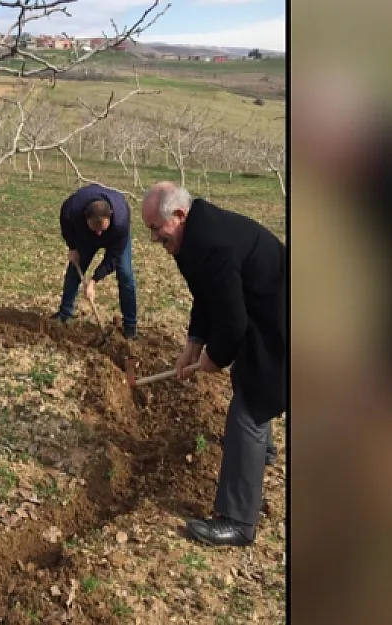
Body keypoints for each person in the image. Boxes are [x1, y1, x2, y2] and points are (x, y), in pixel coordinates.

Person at [140, 181, 287, 547]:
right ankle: (263, 452)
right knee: (252, 383)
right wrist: (194, 341)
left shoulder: (211, 243)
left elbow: (234, 323)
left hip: (282, 315)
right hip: (268, 307)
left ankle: (237, 522)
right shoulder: (194, 238)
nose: (154, 238)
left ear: (179, 215)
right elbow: (207, 293)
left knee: (249, 407)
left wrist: (215, 357)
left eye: (156, 229)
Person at [51, 183, 139, 339]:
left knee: (125, 274)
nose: (99, 233)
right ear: (85, 217)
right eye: (95, 228)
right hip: (86, 238)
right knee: (75, 270)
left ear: (110, 215)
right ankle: (64, 313)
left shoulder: (120, 221)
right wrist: (72, 246)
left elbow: (113, 257)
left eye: (102, 228)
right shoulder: (73, 208)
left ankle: (130, 326)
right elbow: (65, 221)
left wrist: (93, 281)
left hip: (115, 238)